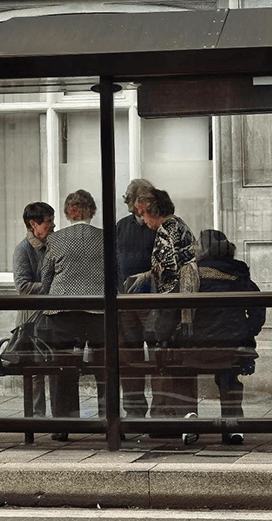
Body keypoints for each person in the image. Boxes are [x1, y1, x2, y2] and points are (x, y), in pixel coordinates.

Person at [181, 229, 266, 446]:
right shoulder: (239, 273)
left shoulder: (192, 273)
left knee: (184, 377)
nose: (195, 248)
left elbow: (173, 309)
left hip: (197, 344)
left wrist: (162, 336)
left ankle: (190, 419)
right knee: (229, 378)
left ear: (206, 249)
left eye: (198, 245)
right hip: (232, 342)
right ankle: (233, 426)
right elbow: (258, 306)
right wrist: (248, 331)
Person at [129, 187, 199, 436]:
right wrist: (147, 275)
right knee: (180, 363)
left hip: (171, 307)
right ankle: (186, 415)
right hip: (184, 306)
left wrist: (159, 300)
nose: (142, 220)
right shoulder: (180, 225)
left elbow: (170, 271)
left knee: (164, 361)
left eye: (143, 214)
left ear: (151, 210)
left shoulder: (164, 231)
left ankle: (166, 419)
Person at [38, 189, 106, 441]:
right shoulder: (106, 237)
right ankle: (106, 419)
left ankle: (64, 425)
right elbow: (116, 276)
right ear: (92, 211)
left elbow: (46, 280)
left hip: (63, 312)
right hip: (99, 313)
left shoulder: (56, 240)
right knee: (103, 368)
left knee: (63, 369)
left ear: (68, 213)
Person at [116, 178, 157, 421]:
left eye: (135, 205)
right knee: (129, 357)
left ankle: (161, 409)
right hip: (126, 302)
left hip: (153, 302)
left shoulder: (160, 225)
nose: (132, 210)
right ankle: (134, 411)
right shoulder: (121, 226)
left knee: (157, 356)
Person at [12, 201, 56, 418]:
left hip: (51, 317)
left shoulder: (53, 245)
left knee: (55, 366)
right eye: (48, 222)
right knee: (36, 371)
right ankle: (37, 418)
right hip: (32, 320)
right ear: (33, 224)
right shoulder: (23, 250)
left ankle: (58, 418)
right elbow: (23, 286)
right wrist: (52, 286)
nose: (54, 226)